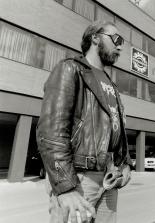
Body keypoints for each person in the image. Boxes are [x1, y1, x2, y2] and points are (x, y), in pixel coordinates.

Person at [36, 20, 133, 223]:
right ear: (95, 38)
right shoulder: (70, 69)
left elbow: (116, 130)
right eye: (116, 39)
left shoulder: (112, 86)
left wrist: (125, 165)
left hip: (109, 178)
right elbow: (51, 131)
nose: (120, 46)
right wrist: (65, 186)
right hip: (79, 178)